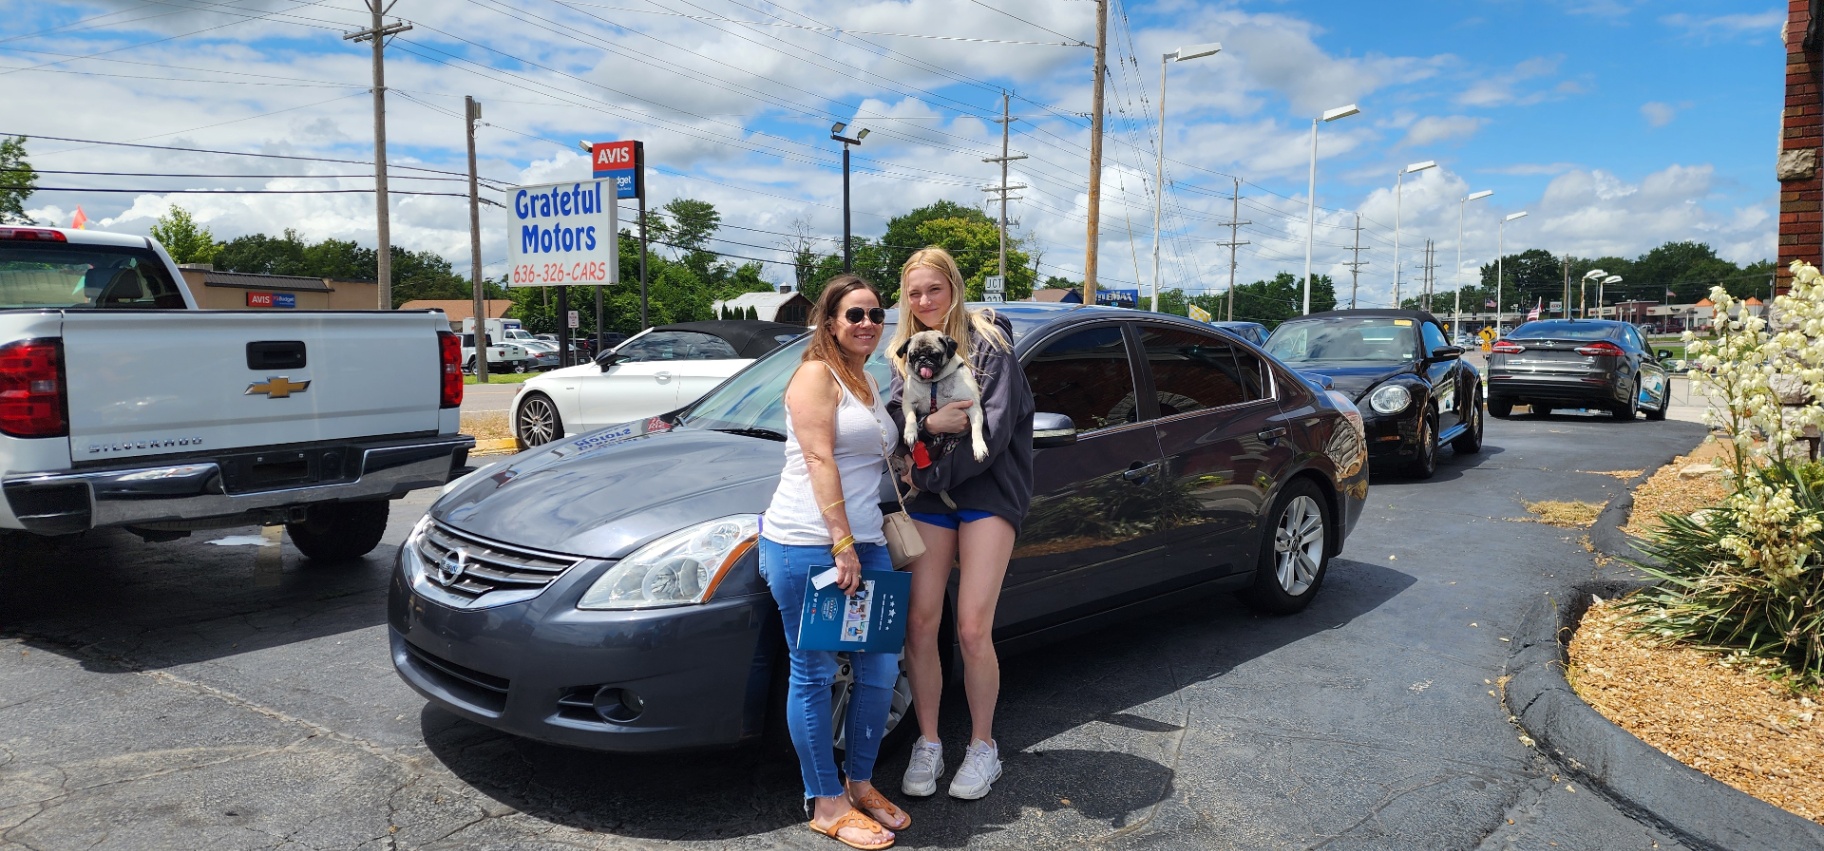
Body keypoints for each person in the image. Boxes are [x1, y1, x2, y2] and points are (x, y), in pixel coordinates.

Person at [760, 275, 910, 850]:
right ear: (829, 323)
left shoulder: (867, 380)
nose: (868, 323)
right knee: (816, 672)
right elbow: (820, 456)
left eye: (875, 314)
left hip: (867, 540)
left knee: (877, 670)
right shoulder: (814, 375)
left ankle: (862, 783)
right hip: (808, 544)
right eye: (855, 315)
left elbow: (872, 460)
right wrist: (841, 543)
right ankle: (825, 801)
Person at [886, 247, 1035, 801]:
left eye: (934, 290)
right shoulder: (905, 355)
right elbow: (900, 429)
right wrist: (926, 427)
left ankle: (981, 746)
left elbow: (989, 439)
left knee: (972, 628)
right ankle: (929, 741)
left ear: (954, 287)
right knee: (921, 625)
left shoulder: (991, 346)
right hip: (932, 499)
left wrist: (926, 471)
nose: (924, 302)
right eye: (914, 293)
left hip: (987, 494)